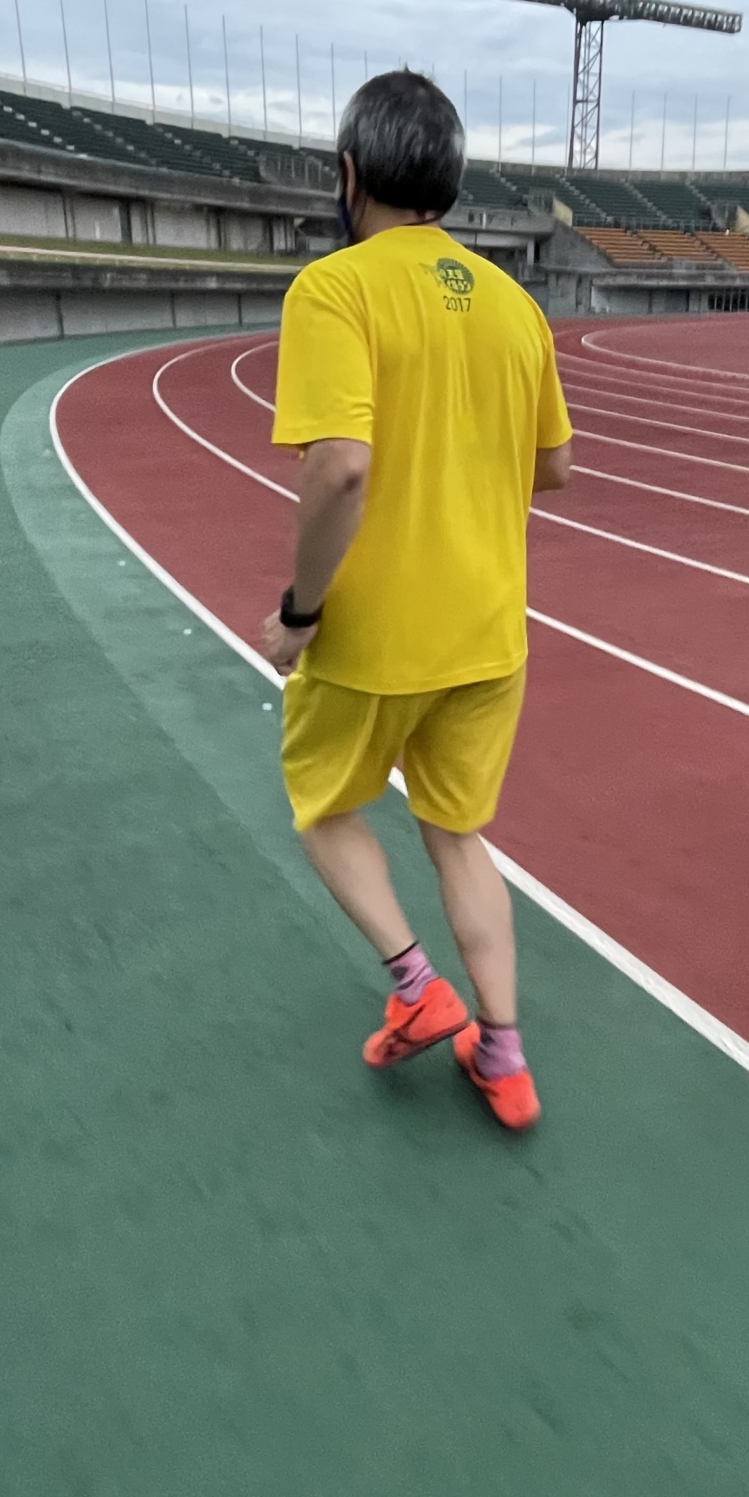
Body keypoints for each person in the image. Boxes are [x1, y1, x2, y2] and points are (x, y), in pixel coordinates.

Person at [257, 70, 573, 1130]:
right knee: (458, 833)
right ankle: (507, 1056)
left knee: (323, 808)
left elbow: (339, 467)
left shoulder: (334, 289)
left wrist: (300, 612)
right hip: (489, 630)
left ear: (348, 176)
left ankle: (414, 988)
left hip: (371, 633)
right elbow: (555, 469)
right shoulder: (517, 306)